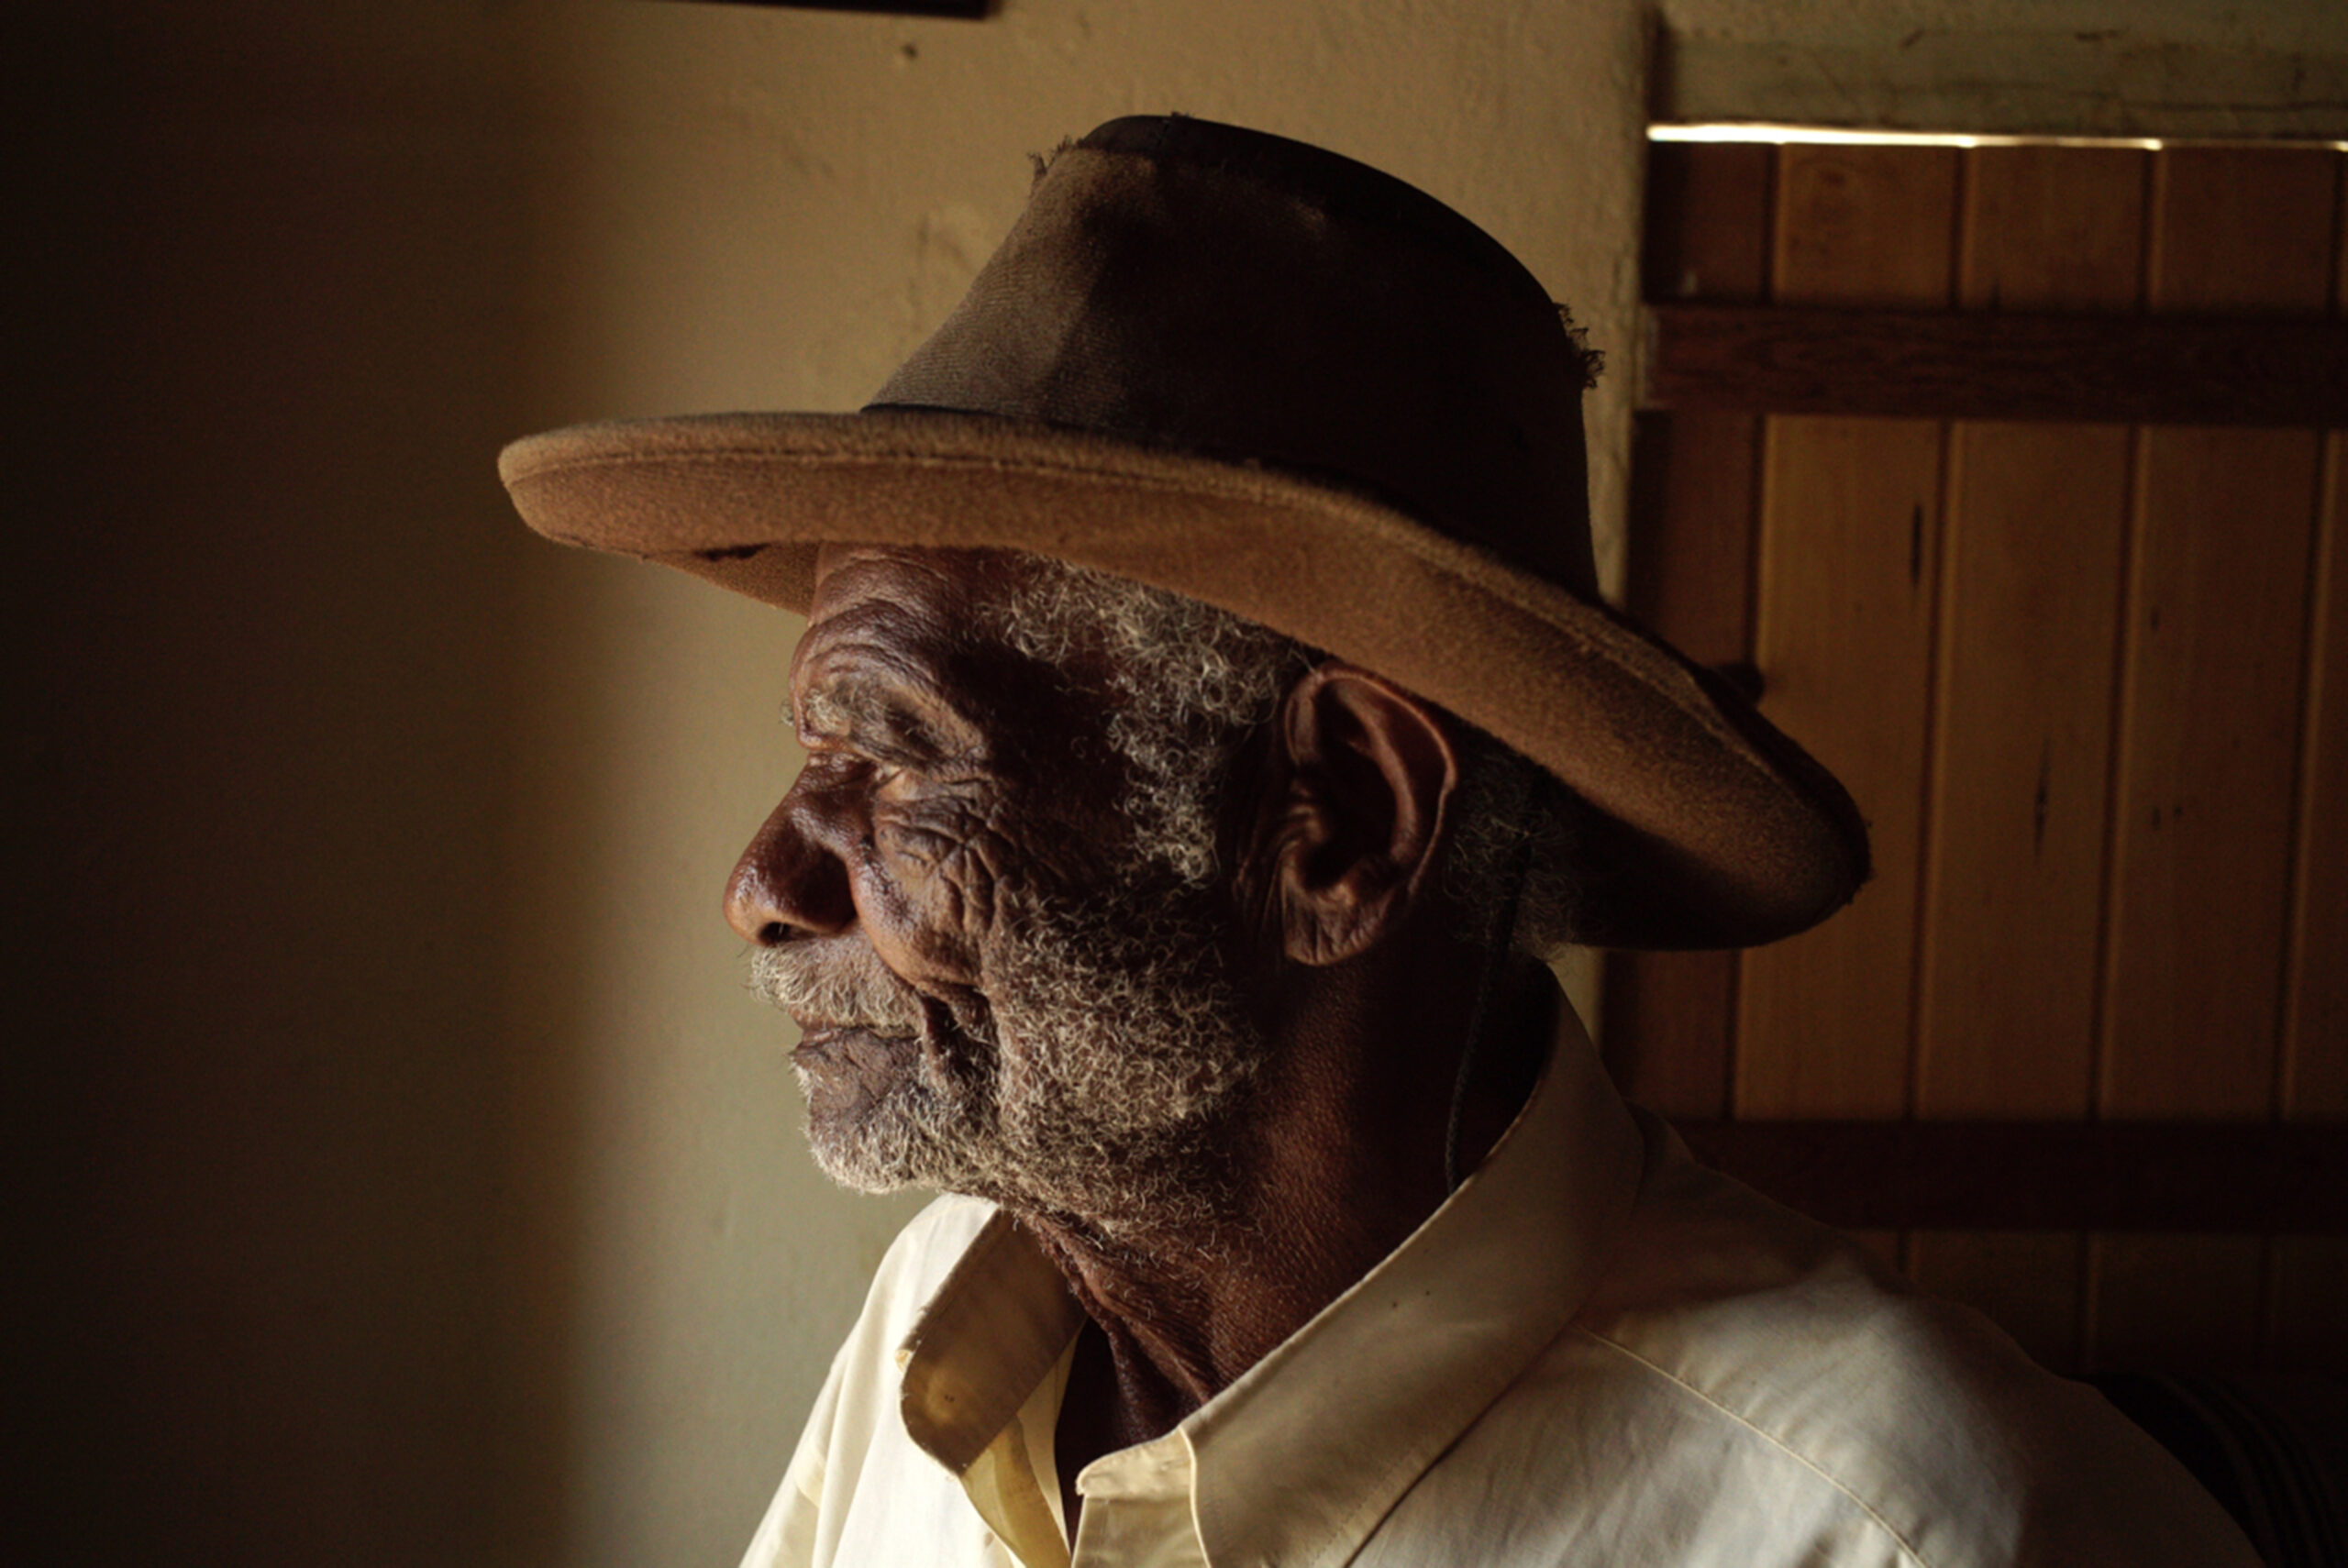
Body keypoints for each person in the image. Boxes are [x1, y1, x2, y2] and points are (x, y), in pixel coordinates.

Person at [501, 116, 2259, 1567]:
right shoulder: (946, 1316)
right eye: (815, 754)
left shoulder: (1917, 1526)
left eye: (890, 754)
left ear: (1336, 817)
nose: (761, 886)